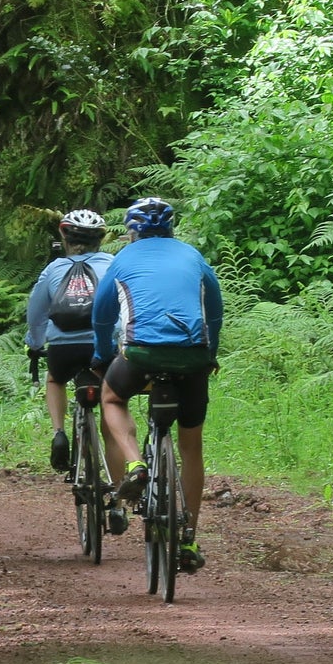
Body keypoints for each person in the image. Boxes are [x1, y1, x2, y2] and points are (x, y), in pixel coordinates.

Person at [90, 197, 222, 573]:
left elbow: (102, 318)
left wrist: (102, 358)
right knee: (191, 445)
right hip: (194, 356)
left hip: (141, 355)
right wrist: (209, 353)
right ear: (171, 228)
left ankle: (135, 463)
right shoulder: (194, 257)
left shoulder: (123, 260)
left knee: (112, 398)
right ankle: (189, 539)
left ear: (132, 231)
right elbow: (214, 311)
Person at [25, 209, 126, 532]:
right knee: (113, 416)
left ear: (64, 237)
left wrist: (35, 344)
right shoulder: (111, 265)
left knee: (55, 379)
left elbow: (36, 313)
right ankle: (118, 501)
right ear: (101, 239)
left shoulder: (53, 270)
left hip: (64, 350)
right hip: (103, 348)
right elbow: (124, 307)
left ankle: (58, 432)